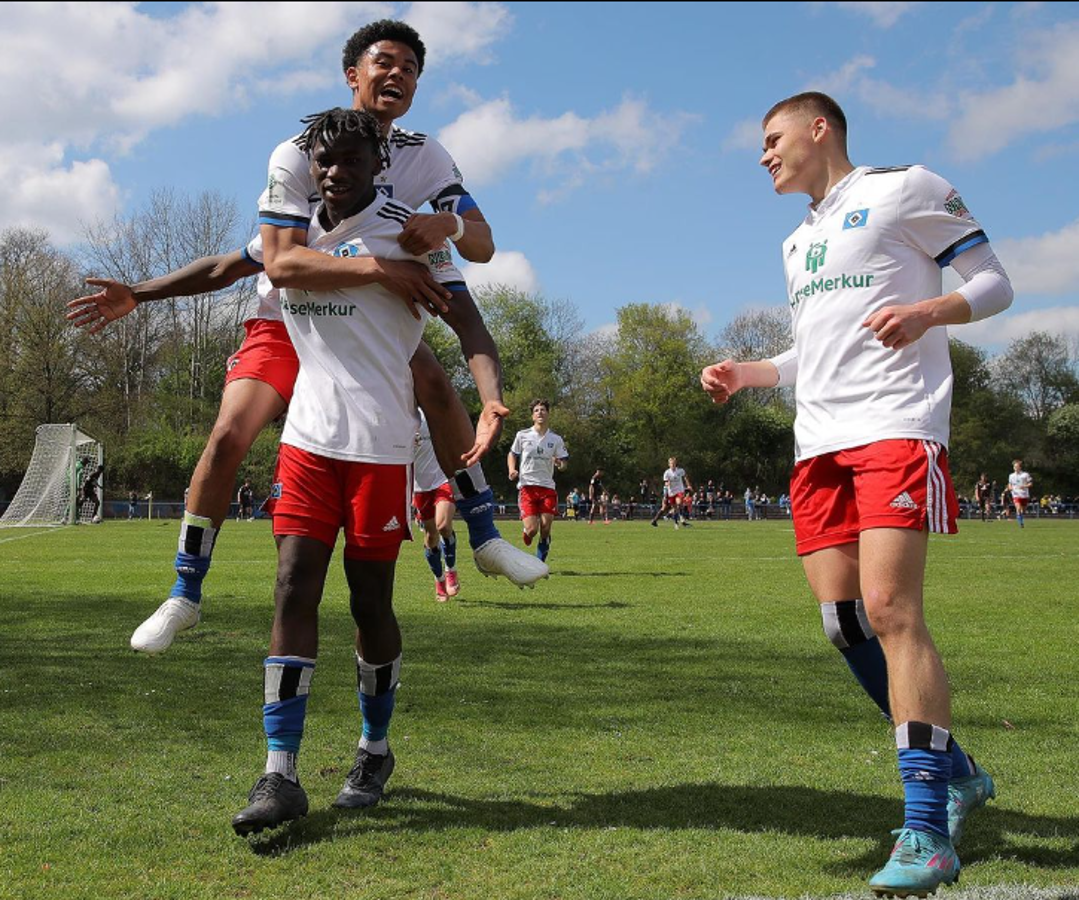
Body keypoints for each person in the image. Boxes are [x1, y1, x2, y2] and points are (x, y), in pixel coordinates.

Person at [69, 20, 547, 655]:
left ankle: (484, 538)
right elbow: (268, 261)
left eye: (412, 66)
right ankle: (184, 592)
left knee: (431, 376)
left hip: (370, 326)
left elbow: (482, 247)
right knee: (229, 433)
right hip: (290, 318)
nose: (399, 73)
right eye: (385, 61)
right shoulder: (298, 151)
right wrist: (143, 292)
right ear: (353, 74)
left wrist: (447, 226)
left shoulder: (423, 156)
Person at [700, 92, 1012, 895]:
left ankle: (924, 829)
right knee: (842, 624)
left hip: (895, 428)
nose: (762, 155)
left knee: (889, 610)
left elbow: (993, 281)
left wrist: (928, 311)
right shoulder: (796, 239)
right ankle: (958, 770)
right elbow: (813, 353)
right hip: (817, 447)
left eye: (770, 139)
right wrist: (752, 374)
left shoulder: (903, 187)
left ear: (818, 128)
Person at [229, 106, 474, 835]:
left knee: (370, 605)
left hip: (379, 451)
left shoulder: (409, 229)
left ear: (377, 165)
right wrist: (139, 292)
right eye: (323, 162)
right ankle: (279, 772)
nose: (334, 172)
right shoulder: (291, 229)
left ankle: (373, 748)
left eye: (350, 161)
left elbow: (467, 319)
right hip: (307, 442)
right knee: (292, 587)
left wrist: (488, 397)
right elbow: (253, 266)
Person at [508, 399, 569, 563]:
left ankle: (539, 562)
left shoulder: (555, 439)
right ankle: (527, 531)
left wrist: (559, 464)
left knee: (546, 527)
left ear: (548, 414)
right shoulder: (523, 435)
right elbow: (512, 454)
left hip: (547, 488)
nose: (540, 412)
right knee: (532, 529)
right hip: (527, 487)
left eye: (543, 410)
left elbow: (564, 464)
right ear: (532, 416)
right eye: (536, 410)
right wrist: (512, 470)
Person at [413, 411, 459, 601]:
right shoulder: (402, 415)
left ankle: (450, 570)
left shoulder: (437, 411)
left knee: (444, 526)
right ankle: (439, 579)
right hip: (420, 487)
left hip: (442, 479)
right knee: (431, 536)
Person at [650, 457, 691, 528]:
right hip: (670, 492)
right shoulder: (667, 473)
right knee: (665, 507)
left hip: (679, 490)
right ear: (669, 464)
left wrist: (689, 485)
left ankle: (681, 519)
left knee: (679, 503)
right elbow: (666, 483)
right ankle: (655, 520)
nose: (673, 465)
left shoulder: (680, 470)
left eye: (674, 463)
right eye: (671, 463)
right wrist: (667, 484)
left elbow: (685, 477)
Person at [1007, 459, 1033, 528]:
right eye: (1014, 467)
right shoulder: (1011, 475)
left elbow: (1030, 484)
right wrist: (1010, 488)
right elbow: (1009, 484)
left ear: (1020, 467)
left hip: (1024, 495)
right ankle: (1021, 523)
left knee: (1023, 511)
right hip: (1016, 494)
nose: (1015, 468)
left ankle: (1020, 517)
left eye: (1017, 467)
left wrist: (1024, 486)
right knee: (1018, 508)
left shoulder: (1025, 474)